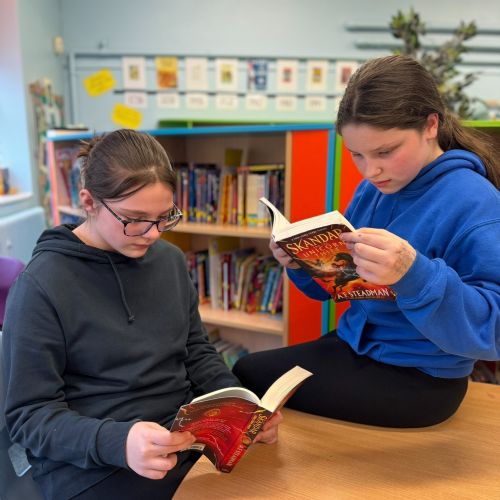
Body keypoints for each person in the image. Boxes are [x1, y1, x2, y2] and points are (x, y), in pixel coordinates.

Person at [2, 129, 282, 500]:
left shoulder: (169, 260)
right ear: (88, 201)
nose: (152, 234)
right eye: (134, 219)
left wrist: (242, 409)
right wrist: (119, 442)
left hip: (180, 438)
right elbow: (29, 416)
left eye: (164, 217)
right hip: (92, 463)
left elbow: (196, 352)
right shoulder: (41, 285)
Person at [233, 55, 500, 428]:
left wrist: (413, 274)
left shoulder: (477, 201)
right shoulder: (374, 188)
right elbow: (343, 285)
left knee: (251, 384)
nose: (371, 170)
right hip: (355, 344)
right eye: (356, 154)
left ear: (431, 125)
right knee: (243, 373)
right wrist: (302, 261)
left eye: (385, 152)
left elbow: (492, 332)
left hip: (422, 377)